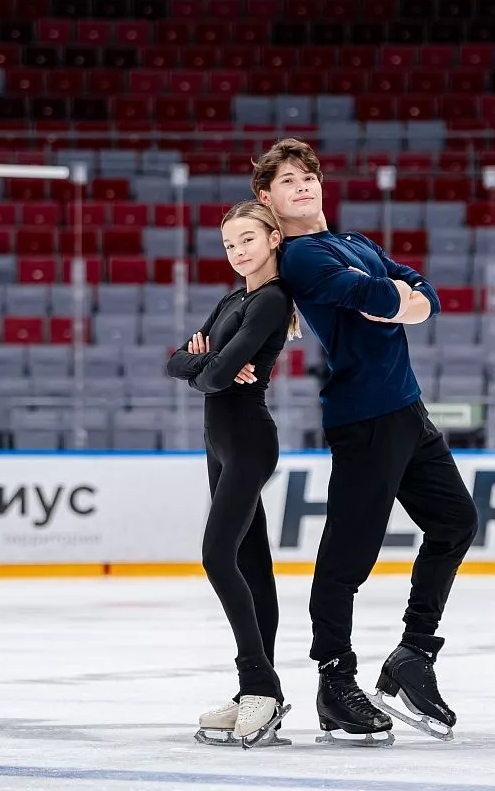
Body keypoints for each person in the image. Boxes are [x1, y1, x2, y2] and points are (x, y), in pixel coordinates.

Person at [251, 139, 479, 745]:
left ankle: (414, 656)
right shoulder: (301, 256)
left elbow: (424, 295)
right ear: (267, 199)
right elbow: (379, 296)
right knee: (348, 558)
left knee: (456, 522)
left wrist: (405, 298)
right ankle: (335, 678)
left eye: (308, 175)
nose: (303, 185)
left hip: (408, 410)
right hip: (365, 419)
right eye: (288, 181)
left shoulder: (355, 242)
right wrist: (399, 297)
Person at [165, 199, 301, 749]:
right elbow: (178, 361)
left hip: (247, 441)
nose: (238, 251)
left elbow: (217, 376)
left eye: (248, 240)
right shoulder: (233, 299)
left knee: (218, 556)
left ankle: (261, 685)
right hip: (218, 443)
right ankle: (253, 693)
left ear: (273, 238)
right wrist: (208, 362)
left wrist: (207, 363)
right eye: (229, 244)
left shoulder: (271, 300)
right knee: (251, 564)